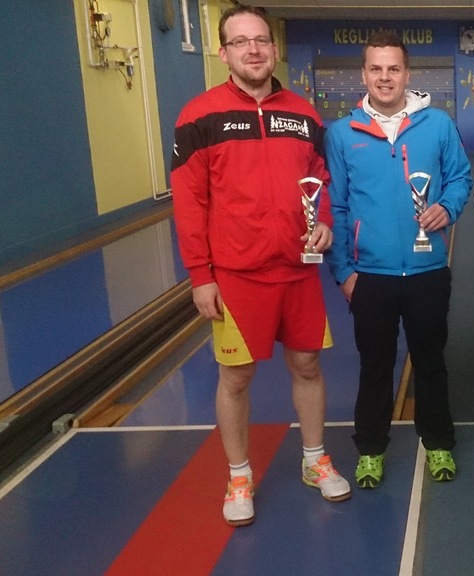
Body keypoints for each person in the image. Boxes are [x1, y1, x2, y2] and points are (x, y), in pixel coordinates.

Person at [170, 5, 351, 526]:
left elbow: (322, 178)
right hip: (236, 274)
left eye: (261, 40)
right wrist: (200, 275)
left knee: (308, 366)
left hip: (297, 270)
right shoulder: (198, 116)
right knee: (236, 377)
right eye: (240, 41)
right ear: (223, 53)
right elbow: (189, 202)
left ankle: (314, 461)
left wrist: (325, 222)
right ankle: (239, 475)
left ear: (274, 48)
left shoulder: (304, 114)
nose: (253, 49)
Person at [325, 31, 472, 489]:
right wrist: (344, 273)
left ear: (408, 74)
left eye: (393, 69)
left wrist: (447, 207)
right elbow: (336, 205)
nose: (384, 77)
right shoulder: (342, 133)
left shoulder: (438, 124)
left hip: (428, 270)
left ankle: (439, 441)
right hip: (370, 276)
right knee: (374, 367)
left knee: (431, 362)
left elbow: (460, 178)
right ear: (364, 74)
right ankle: (370, 450)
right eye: (376, 68)